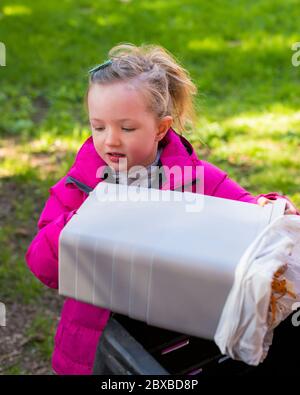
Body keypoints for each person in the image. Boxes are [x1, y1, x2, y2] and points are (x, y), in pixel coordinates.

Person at [25, 43, 299, 375]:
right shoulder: (78, 187)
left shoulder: (195, 179)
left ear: (161, 128)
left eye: (126, 128)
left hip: (172, 347)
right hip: (95, 347)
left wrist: (270, 206)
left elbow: (247, 211)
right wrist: (83, 220)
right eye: (98, 127)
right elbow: (42, 265)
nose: (110, 140)